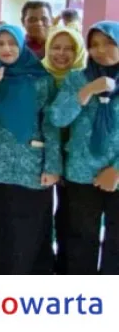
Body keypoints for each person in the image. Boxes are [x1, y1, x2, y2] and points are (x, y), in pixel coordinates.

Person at [0, 24, 58, 274]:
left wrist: (53, 166)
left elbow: (51, 126)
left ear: (22, 45)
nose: (6, 49)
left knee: (27, 237)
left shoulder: (42, 80)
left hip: (31, 170)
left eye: (12, 43)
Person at [48, 21, 119, 274]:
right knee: (79, 241)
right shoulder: (77, 78)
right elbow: (57, 118)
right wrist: (87, 90)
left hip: (116, 174)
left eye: (109, 43)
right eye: (94, 45)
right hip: (80, 173)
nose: (100, 50)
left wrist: (117, 170)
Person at [40, 25, 86, 274]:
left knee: (72, 219)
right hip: (42, 157)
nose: (61, 53)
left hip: (77, 160)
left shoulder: (86, 78)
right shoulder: (38, 76)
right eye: (56, 47)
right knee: (43, 217)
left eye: (69, 48)